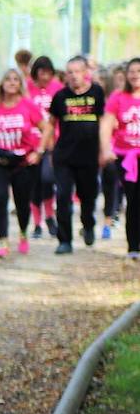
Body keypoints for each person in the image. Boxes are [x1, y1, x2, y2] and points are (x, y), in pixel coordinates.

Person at [0, 68, 51, 258]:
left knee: (22, 203)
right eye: (8, 79)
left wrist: (39, 151)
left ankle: (22, 233)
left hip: (23, 163)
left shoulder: (28, 106)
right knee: (0, 198)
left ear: (20, 84)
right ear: (2, 84)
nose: (12, 82)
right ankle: (3, 242)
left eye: (16, 80)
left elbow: (46, 128)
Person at [49, 55, 106, 254]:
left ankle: (88, 224)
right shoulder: (60, 96)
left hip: (89, 156)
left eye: (77, 72)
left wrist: (104, 149)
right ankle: (64, 240)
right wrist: (45, 148)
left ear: (86, 73)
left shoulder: (97, 93)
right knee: (63, 196)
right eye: (69, 72)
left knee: (88, 196)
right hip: (64, 156)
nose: (73, 76)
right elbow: (50, 124)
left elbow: (105, 121)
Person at [100, 56, 140, 263]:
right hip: (126, 158)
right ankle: (134, 246)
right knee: (133, 200)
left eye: (139, 71)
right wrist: (106, 148)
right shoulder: (118, 97)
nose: (135, 75)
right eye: (132, 71)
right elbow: (106, 123)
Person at [28, 56, 63, 238]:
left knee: (48, 179)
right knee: (34, 183)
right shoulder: (27, 88)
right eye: (42, 73)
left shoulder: (58, 88)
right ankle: (36, 223)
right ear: (36, 72)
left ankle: (50, 216)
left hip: (52, 143)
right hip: (30, 144)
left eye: (49, 73)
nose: (46, 77)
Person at [100, 63, 131, 240]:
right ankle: (107, 220)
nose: (121, 81)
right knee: (110, 184)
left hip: (131, 151)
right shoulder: (111, 100)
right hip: (112, 151)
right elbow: (105, 126)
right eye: (118, 79)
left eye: (123, 78)